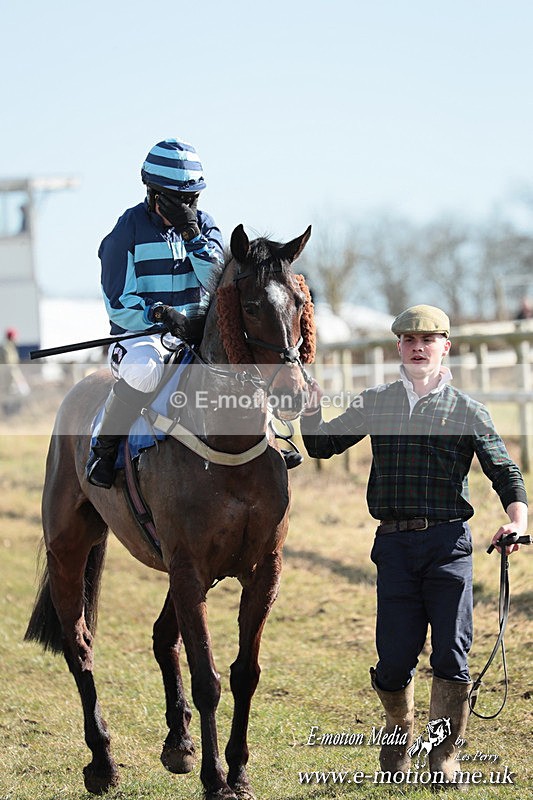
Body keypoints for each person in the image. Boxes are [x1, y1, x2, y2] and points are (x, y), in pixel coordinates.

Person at [300, 304, 528, 785]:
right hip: (395, 547)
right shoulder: (377, 401)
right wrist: (310, 407)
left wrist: (517, 520)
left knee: (451, 654)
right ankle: (397, 728)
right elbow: (321, 445)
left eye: (429, 340)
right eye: (409, 340)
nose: (418, 347)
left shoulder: (467, 410)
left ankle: (444, 756)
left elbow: (503, 471)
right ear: (398, 348)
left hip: (450, 546)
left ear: (446, 347)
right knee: (395, 660)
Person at [86, 137, 225, 489]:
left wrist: (191, 232)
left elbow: (218, 281)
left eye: (193, 199)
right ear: (154, 193)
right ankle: (103, 448)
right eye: (179, 200)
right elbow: (118, 304)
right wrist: (160, 315)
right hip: (140, 340)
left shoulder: (205, 227)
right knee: (146, 373)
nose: (188, 207)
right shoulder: (125, 232)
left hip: (196, 337)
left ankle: (267, 441)